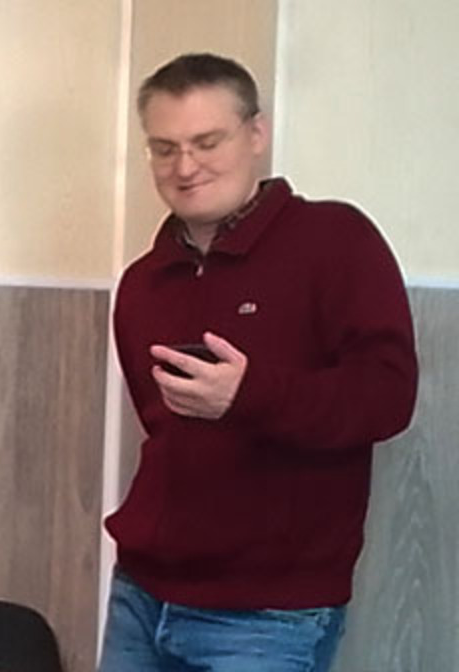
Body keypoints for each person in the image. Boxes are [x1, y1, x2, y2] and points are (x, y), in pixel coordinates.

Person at [100, 53, 418, 671]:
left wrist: (249, 395)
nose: (184, 167)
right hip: (141, 594)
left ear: (256, 134)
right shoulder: (142, 283)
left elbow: (388, 396)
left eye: (206, 142)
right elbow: (162, 431)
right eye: (164, 148)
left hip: (268, 614)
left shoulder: (336, 241)